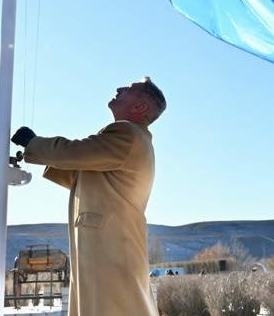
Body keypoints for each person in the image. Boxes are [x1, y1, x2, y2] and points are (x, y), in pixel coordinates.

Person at [11, 77, 166, 316]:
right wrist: (39, 151)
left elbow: (76, 152)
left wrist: (34, 144)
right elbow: (81, 173)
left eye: (129, 89)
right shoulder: (133, 139)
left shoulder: (126, 133)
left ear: (139, 107)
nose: (119, 89)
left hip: (111, 250)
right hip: (112, 248)